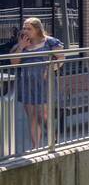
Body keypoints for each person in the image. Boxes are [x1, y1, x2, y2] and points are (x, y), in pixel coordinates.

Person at [13, 17, 64, 150]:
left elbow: (61, 58)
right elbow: (14, 63)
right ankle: (36, 147)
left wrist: (49, 68)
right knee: (32, 117)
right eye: (24, 28)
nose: (25, 31)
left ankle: (52, 140)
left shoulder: (49, 42)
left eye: (28, 28)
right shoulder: (22, 43)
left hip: (44, 84)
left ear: (37, 29)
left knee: (44, 115)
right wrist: (21, 47)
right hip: (26, 84)